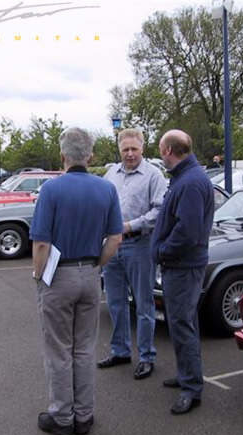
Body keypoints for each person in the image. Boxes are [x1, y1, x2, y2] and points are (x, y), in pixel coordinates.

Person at [30, 127, 123, 435]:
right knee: (84, 349)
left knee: (58, 350)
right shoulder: (107, 189)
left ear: (63, 155)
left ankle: (62, 416)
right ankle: (84, 414)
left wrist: (38, 275)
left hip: (58, 276)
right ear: (90, 155)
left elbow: (41, 244)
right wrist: (96, 265)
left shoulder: (52, 190)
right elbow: (115, 238)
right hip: (89, 275)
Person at [151, 129, 214, 415]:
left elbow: (187, 232)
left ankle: (191, 388)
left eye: (160, 149)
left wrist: (163, 251)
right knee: (182, 323)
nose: (160, 154)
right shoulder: (186, 178)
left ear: (168, 151)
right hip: (181, 265)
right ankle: (188, 376)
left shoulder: (189, 182)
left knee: (182, 325)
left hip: (183, 266)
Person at [98, 128, 167, 380]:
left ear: (142, 148)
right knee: (116, 302)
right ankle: (120, 350)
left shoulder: (153, 176)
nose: (129, 154)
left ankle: (147, 356)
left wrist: (130, 225)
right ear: (119, 149)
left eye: (133, 149)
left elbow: (159, 211)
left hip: (139, 245)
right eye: (125, 149)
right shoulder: (110, 175)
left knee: (144, 304)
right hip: (112, 245)